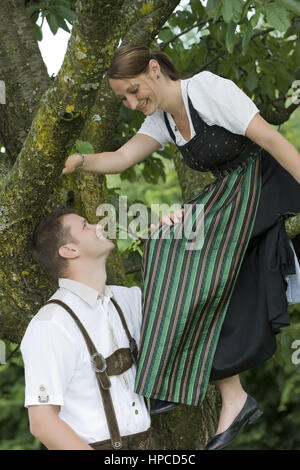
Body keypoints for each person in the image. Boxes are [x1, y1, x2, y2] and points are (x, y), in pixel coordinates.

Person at [63, 44, 300, 450]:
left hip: (265, 183)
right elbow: (121, 158)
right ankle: (223, 392)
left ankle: (173, 377)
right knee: (162, 242)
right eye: (124, 98)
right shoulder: (164, 120)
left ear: (155, 69)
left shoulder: (205, 90)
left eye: (135, 90)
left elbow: (272, 140)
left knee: (178, 246)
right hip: (233, 192)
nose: (134, 102)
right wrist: (77, 161)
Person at [21, 205, 164, 450]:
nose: (99, 226)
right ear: (69, 250)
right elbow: (42, 422)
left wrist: (170, 241)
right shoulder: (51, 324)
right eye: (86, 226)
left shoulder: (127, 300)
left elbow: (189, 311)